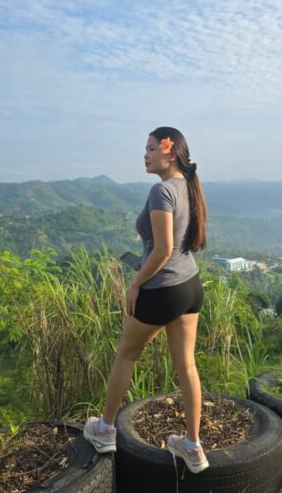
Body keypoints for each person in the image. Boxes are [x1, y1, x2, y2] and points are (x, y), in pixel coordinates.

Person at [83, 126, 209, 474]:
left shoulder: (161, 191)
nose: (145, 154)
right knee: (187, 366)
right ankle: (193, 446)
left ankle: (105, 430)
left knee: (126, 354)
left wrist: (135, 284)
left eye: (152, 148)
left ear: (170, 152)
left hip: (162, 289)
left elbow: (164, 249)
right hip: (190, 286)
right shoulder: (188, 185)